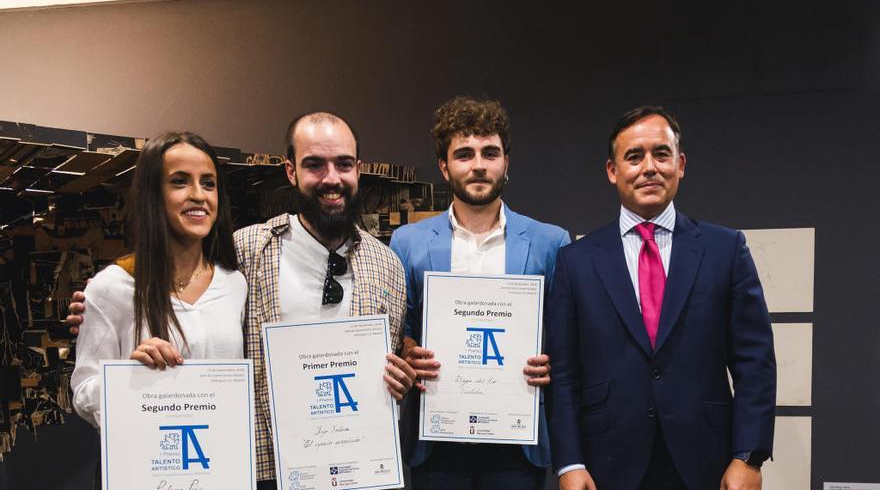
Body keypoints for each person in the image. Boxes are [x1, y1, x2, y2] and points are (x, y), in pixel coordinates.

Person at [68, 113, 416, 490]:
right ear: (291, 171)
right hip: (244, 470)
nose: (331, 178)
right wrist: (123, 374)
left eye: (343, 164)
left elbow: (394, 357)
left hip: (358, 468)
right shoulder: (247, 251)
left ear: (358, 170)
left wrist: (403, 370)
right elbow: (87, 387)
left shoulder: (386, 267)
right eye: (314, 164)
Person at [546, 106, 776, 490]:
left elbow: (755, 363)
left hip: (707, 462)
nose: (649, 167)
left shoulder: (725, 249)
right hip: (605, 464)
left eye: (661, 154)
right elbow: (565, 375)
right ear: (612, 171)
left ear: (680, 164)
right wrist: (569, 462)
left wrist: (749, 457)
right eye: (634, 157)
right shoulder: (575, 261)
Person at [390, 96, 570, 489]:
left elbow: (566, 334)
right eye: (464, 154)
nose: (478, 165)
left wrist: (551, 361)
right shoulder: (407, 242)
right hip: (436, 438)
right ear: (444, 165)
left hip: (517, 440)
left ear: (506, 161)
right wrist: (407, 348)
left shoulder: (549, 241)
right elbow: (400, 324)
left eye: (490, 152)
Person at [71, 131, 246, 427]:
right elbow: (84, 394)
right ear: (152, 194)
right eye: (179, 181)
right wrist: (129, 375)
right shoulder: (112, 287)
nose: (198, 195)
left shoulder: (234, 284)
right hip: (151, 464)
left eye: (208, 183)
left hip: (221, 463)